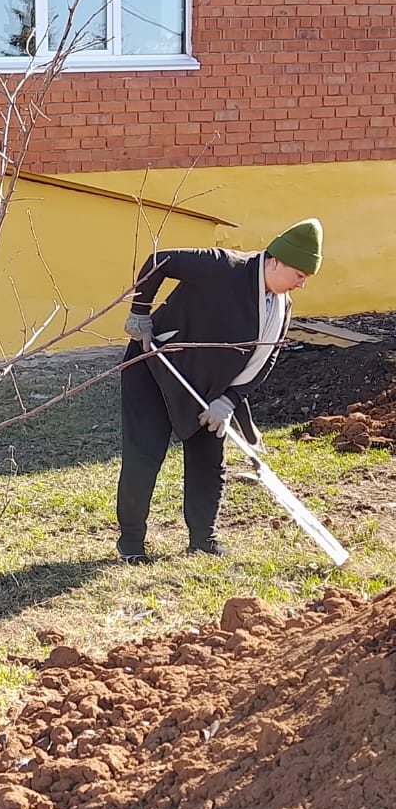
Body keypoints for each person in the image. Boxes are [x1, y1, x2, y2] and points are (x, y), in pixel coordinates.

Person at [116, 218, 323, 564]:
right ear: (275, 261)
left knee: (208, 462)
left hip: (210, 391)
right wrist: (140, 312)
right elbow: (159, 261)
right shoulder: (223, 265)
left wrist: (228, 400)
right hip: (155, 368)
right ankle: (131, 542)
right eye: (299, 275)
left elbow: (266, 358)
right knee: (145, 455)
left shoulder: (280, 305)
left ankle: (203, 539)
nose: (301, 285)